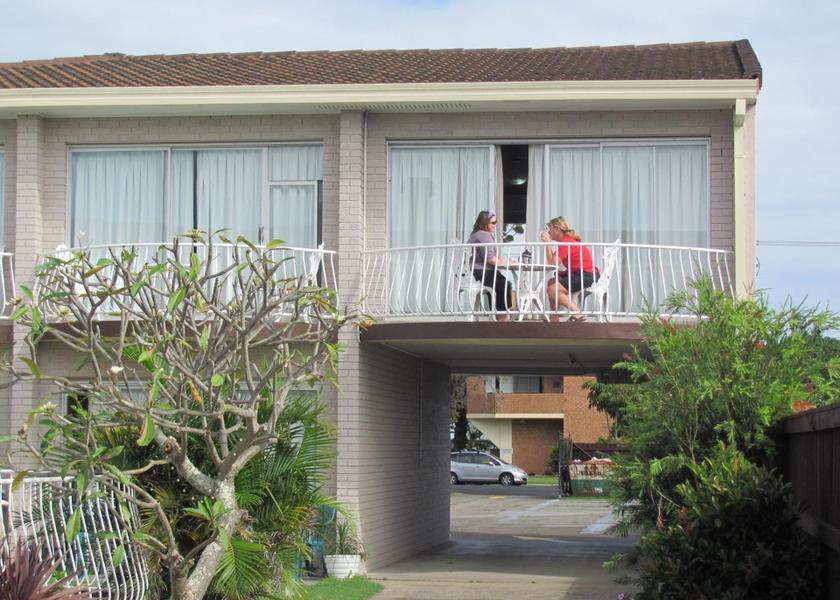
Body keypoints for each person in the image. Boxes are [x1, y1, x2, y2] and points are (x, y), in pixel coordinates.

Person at [539, 216, 600, 322]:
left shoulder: (566, 242)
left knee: (553, 290)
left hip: (586, 275)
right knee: (552, 281)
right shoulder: (566, 241)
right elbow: (557, 263)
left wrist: (548, 243)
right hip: (582, 273)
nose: (549, 231)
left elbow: (552, 263)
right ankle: (554, 317)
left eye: (550, 228)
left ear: (557, 229)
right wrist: (564, 273)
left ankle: (576, 313)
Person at [467, 211, 515, 320]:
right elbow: (490, 259)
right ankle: (503, 318)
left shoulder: (475, 234)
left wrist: (504, 262)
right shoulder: (484, 235)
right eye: (493, 223)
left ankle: (496, 316)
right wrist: (507, 263)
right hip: (481, 271)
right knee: (504, 285)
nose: (495, 225)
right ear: (485, 223)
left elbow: (490, 258)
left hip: (475, 271)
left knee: (499, 284)